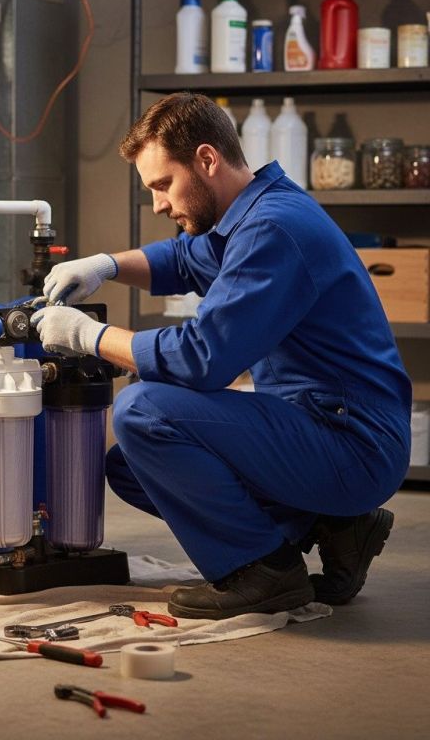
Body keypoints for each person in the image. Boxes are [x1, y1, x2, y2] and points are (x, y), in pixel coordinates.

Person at [31, 92, 411, 620]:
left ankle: (263, 571)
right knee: (132, 469)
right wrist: (105, 265)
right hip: (318, 422)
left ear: (207, 160)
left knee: (141, 412)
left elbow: (203, 359)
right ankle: (335, 524)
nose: (159, 204)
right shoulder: (249, 211)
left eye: (163, 185)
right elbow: (183, 258)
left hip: (352, 442)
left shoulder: (273, 229)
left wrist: (89, 336)